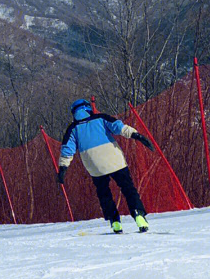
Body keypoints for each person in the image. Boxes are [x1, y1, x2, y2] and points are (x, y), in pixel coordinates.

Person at [58, 98, 154, 233]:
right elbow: (119, 127)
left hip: (95, 166)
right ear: (88, 109)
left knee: (104, 193)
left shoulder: (73, 129)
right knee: (128, 188)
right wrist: (137, 136)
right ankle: (139, 216)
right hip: (115, 160)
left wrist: (63, 168)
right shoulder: (101, 118)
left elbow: (67, 149)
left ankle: (114, 221)